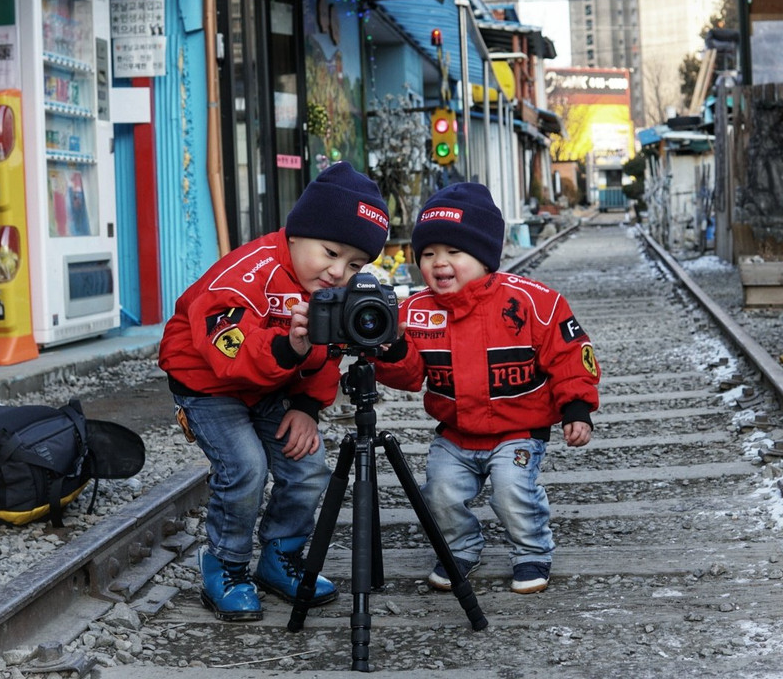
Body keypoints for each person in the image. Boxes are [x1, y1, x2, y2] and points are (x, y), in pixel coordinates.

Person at [159, 162, 390, 622]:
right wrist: (289, 345)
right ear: (297, 232)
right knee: (246, 465)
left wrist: (307, 407)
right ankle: (224, 566)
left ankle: (278, 557)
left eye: (355, 265)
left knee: (307, 464)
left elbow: (327, 357)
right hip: (209, 384)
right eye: (329, 252)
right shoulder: (248, 272)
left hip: (272, 386)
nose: (337, 271)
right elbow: (227, 351)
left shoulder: (331, 288)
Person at [372, 182, 599, 594]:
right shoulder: (415, 312)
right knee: (438, 492)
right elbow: (408, 377)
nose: (439, 263)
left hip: (517, 430)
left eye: (453, 252)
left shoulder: (534, 302)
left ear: (484, 256)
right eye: (428, 254)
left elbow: (570, 353)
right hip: (455, 433)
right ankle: (460, 546)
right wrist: (393, 351)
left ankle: (531, 551)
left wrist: (577, 407)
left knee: (513, 491)